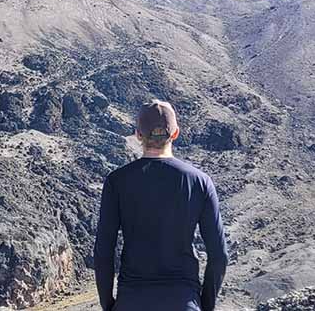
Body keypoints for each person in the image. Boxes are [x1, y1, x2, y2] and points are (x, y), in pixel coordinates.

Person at [93, 99, 229, 311]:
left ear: (138, 134)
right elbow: (219, 255)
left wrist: (109, 305)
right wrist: (205, 306)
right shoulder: (200, 182)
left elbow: (103, 252)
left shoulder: (117, 181)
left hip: (131, 301)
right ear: (175, 133)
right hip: (183, 301)